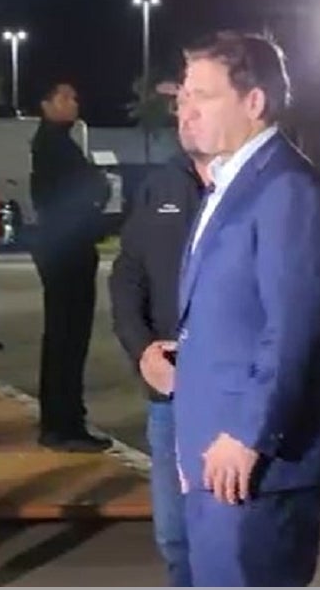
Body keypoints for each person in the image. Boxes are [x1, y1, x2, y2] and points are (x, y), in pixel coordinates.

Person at [172, 31, 320, 586]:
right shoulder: (227, 183)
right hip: (211, 453)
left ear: (254, 102)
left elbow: (292, 329)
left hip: (254, 464)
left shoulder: (287, 190)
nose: (186, 109)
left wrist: (248, 435)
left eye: (203, 95)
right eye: (183, 96)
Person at [108, 84, 210, 586]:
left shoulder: (258, 188)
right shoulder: (160, 185)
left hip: (232, 395)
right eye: (180, 107)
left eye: (199, 103)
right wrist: (141, 347)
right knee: (174, 535)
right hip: (167, 393)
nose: (186, 116)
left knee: (234, 536)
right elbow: (128, 271)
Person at [29, 81, 112, 452]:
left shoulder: (58, 143)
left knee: (63, 339)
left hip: (65, 250)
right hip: (67, 253)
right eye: (64, 96)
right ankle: (64, 425)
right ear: (45, 103)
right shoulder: (54, 146)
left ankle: (62, 421)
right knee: (67, 340)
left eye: (75, 96)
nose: (73, 102)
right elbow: (85, 191)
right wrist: (96, 185)